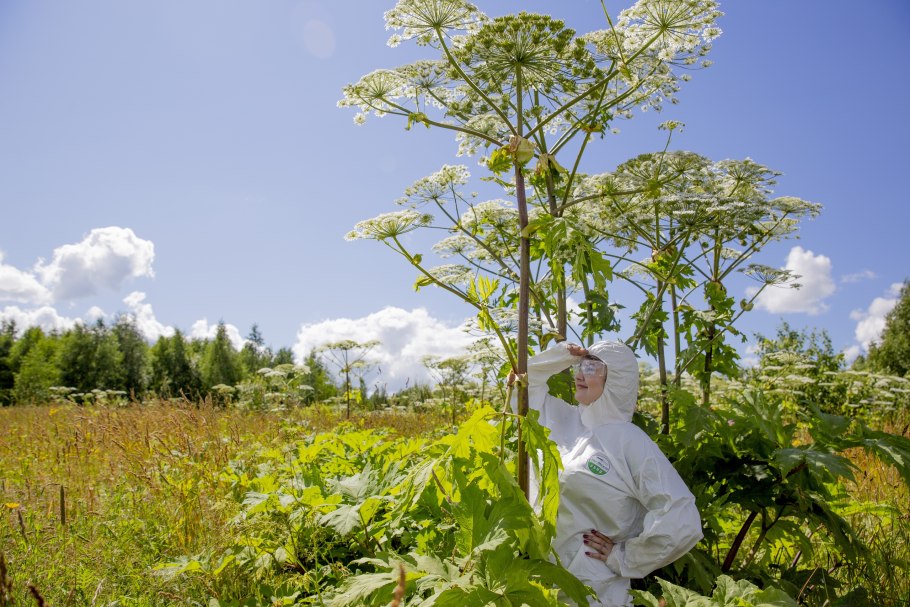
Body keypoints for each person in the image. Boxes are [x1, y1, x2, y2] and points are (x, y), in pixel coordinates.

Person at [513, 340, 702, 607]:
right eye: (581, 366)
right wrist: (561, 355)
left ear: (616, 380)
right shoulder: (563, 420)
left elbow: (681, 517)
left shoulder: (628, 441)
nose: (579, 374)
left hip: (594, 590)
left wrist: (624, 557)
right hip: (539, 582)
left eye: (591, 367)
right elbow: (522, 390)